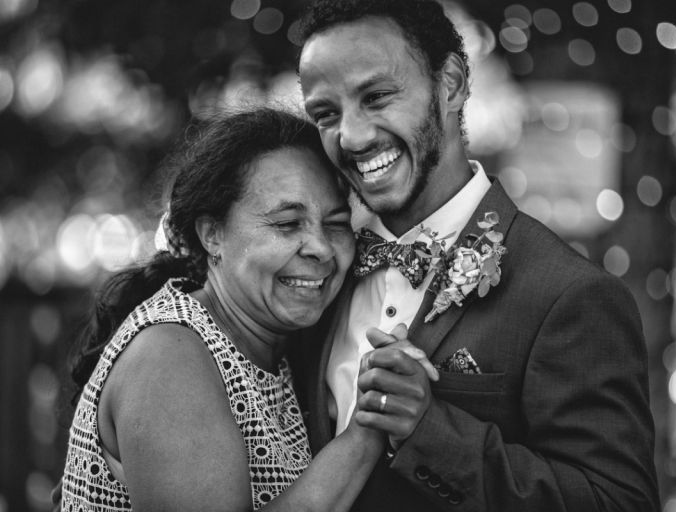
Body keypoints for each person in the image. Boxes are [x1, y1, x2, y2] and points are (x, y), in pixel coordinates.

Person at [295, 0, 661, 510]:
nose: (352, 137)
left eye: (376, 97)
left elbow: (619, 502)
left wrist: (431, 431)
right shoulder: (318, 277)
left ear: (450, 84)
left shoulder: (570, 295)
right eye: (326, 114)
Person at [59, 107, 436, 511]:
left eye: (335, 224)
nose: (321, 248)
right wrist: (367, 428)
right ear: (213, 234)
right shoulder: (168, 355)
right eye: (287, 224)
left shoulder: (281, 343)